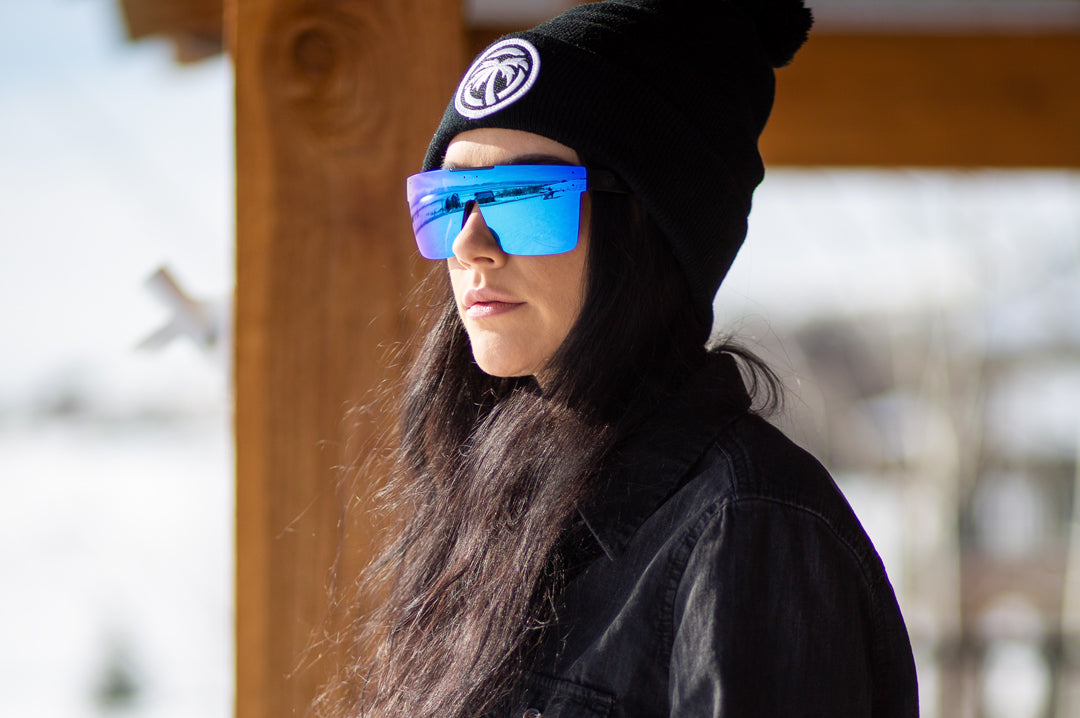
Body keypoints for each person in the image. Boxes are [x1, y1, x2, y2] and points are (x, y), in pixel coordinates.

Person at [324, 1, 919, 716]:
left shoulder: (749, 529)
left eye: (523, 201)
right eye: (447, 203)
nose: (469, 245)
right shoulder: (496, 507)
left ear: (647, 224)